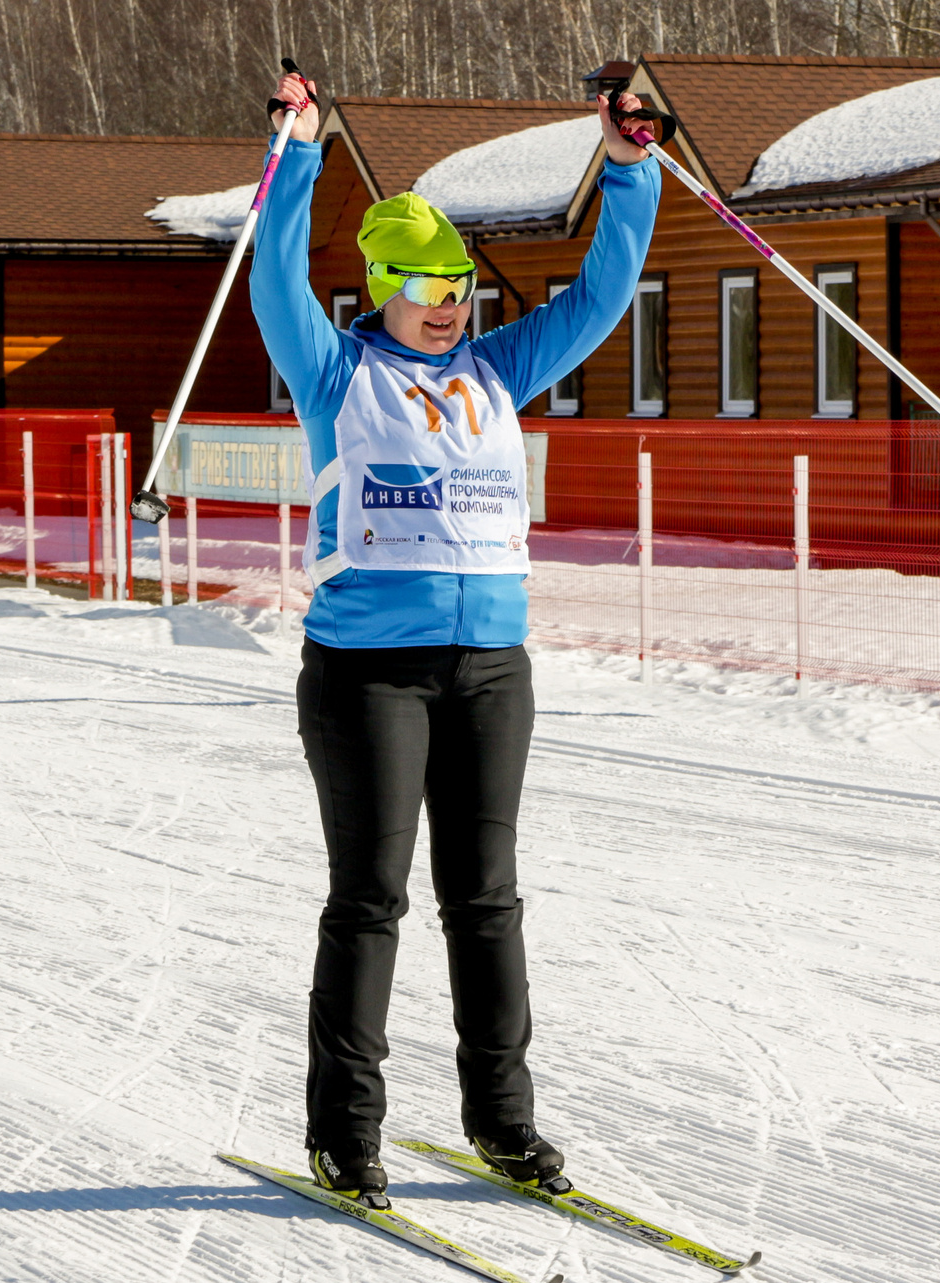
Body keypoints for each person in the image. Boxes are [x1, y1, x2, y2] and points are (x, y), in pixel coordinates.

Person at [249, 70, 659, 1207]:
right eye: (429, 286)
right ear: (382, 286)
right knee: (370, 898)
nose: (450, 306)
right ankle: (346, 1134)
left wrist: (625, 167)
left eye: (462, 288)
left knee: (485, 898)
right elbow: (275, 275)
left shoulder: (494, 372)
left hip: (492, 673)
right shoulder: (335, 373)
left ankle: (505, 1124)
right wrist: (298, 152)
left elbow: (600, 299)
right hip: (368, 676)